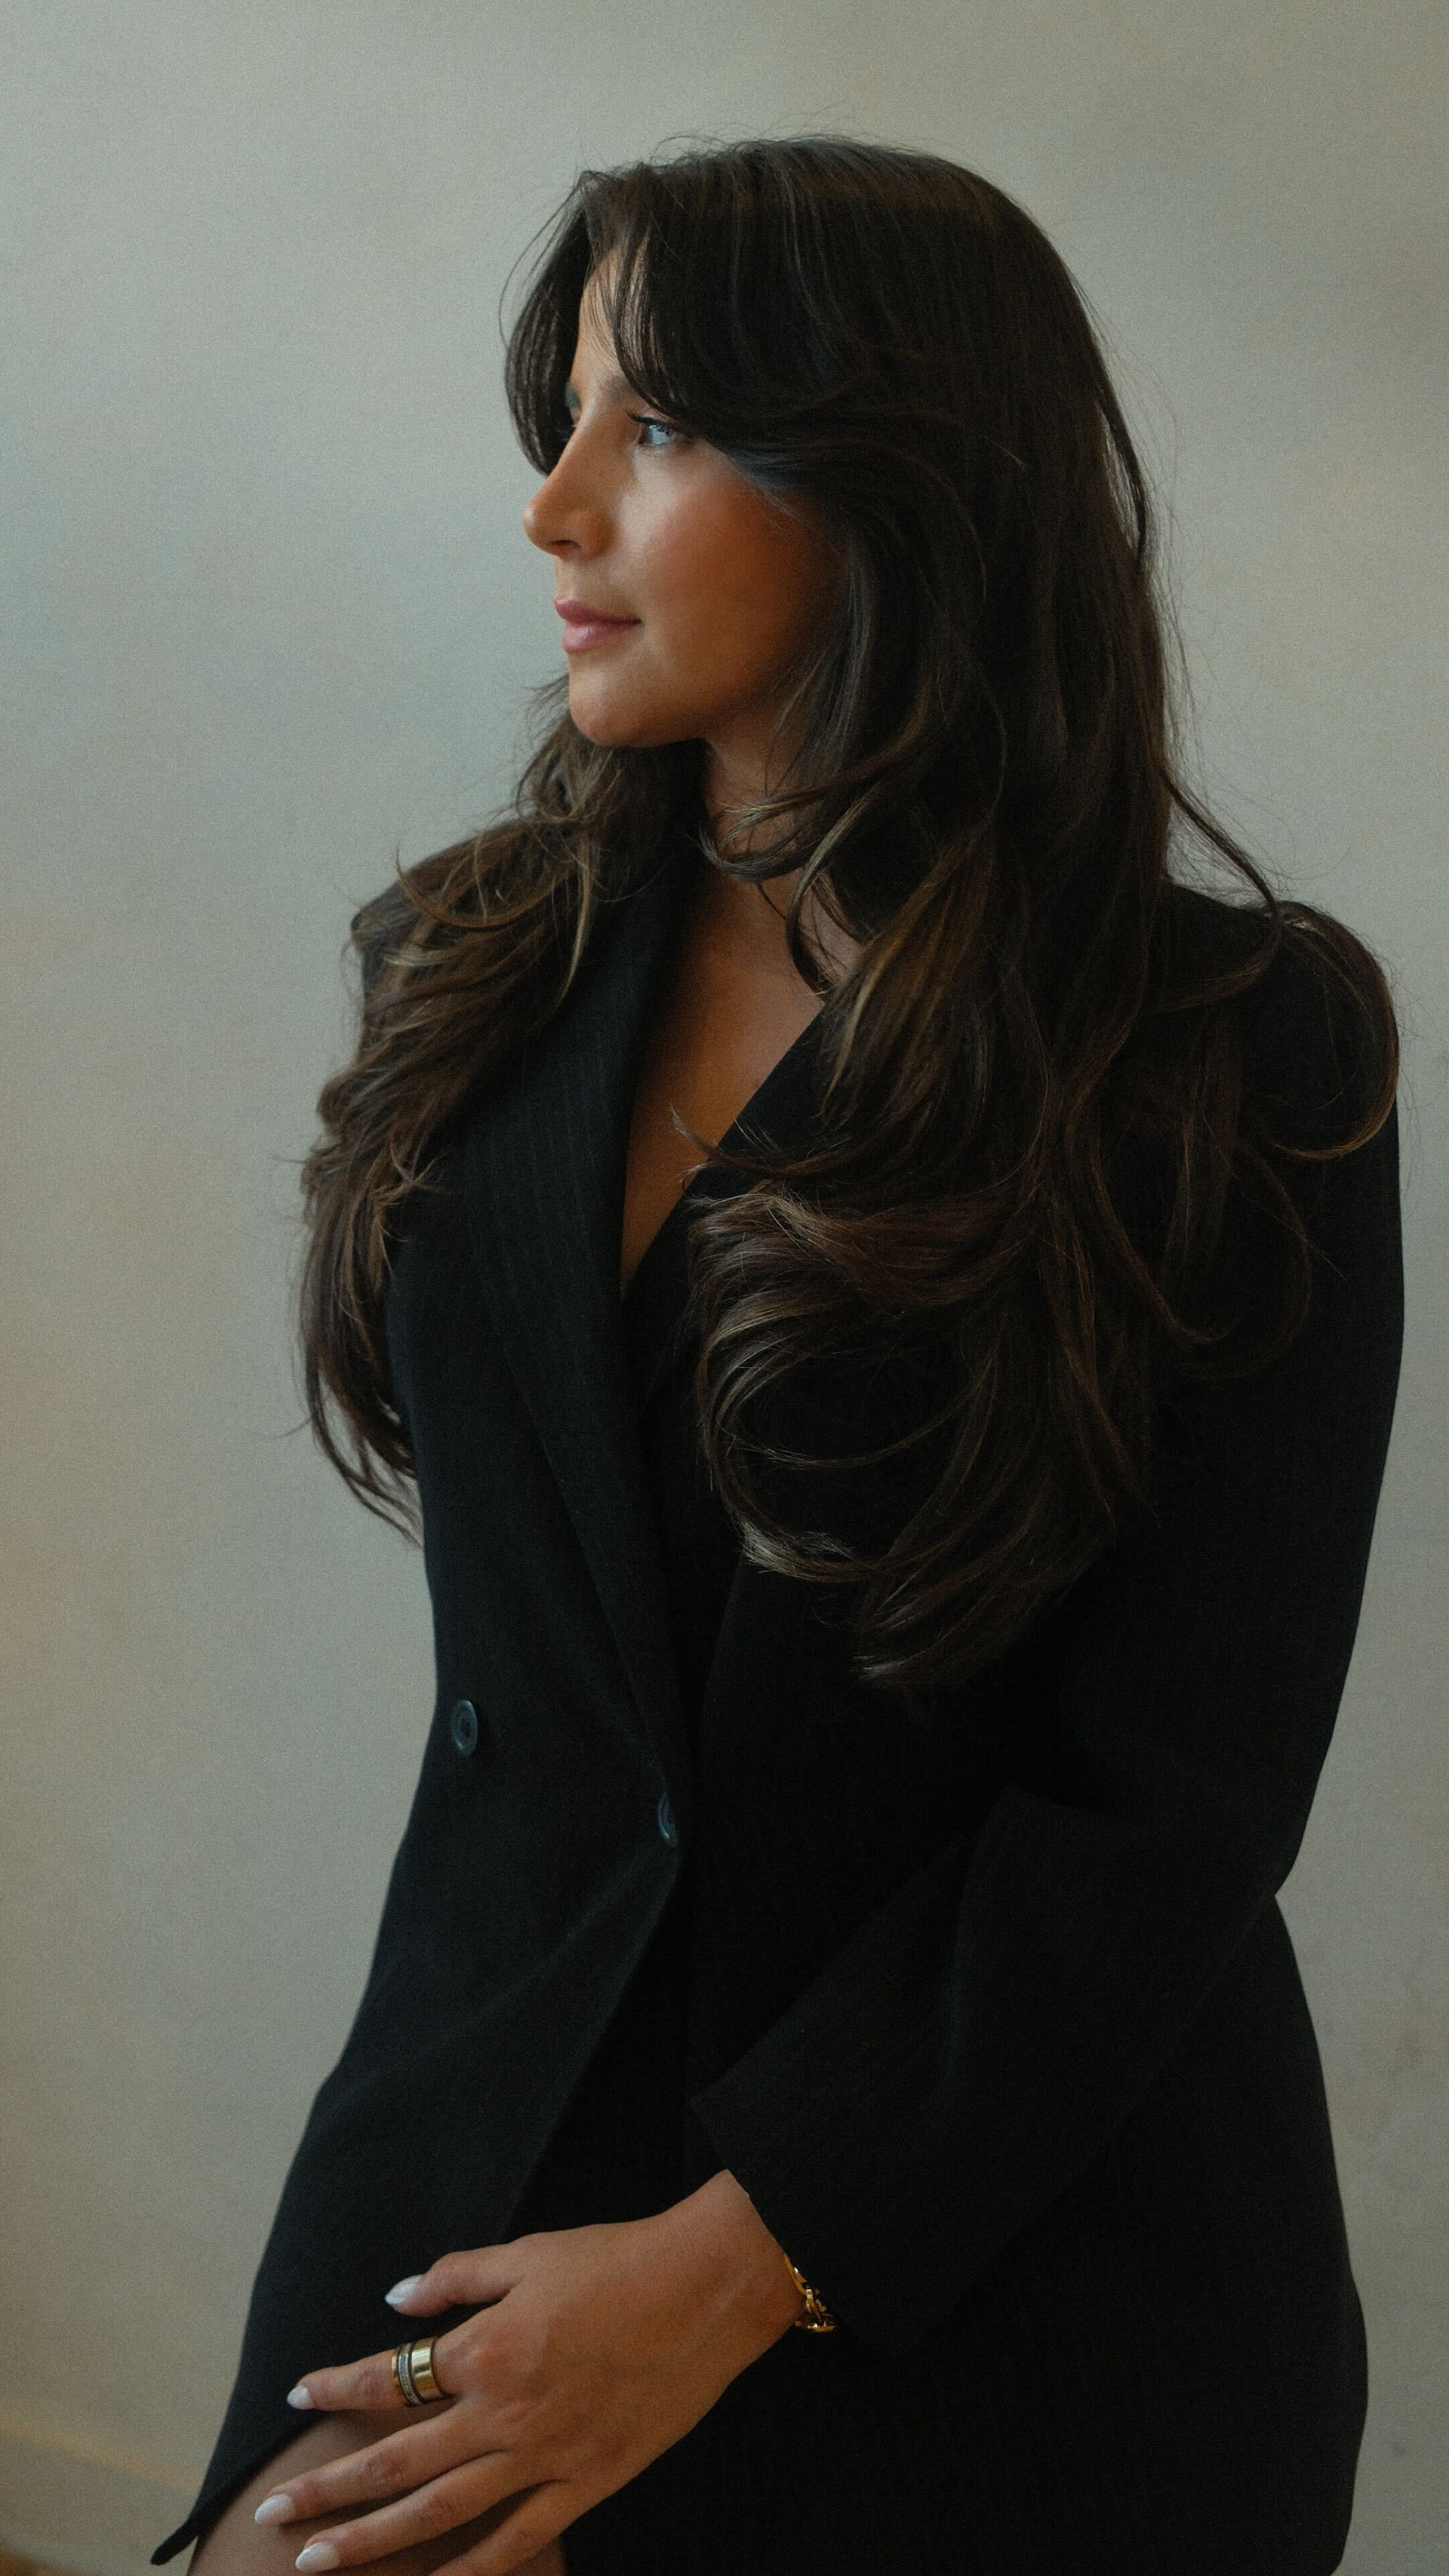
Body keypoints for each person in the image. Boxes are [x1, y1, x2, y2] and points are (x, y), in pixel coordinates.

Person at [156, 138, 1403, 2576]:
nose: (552, 506)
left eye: (657, 427)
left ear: (906, 481)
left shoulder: (1235, 1053)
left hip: (1014, 2278)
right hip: (488, 2144)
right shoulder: (470, 967)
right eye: (563, 417)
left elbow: (1173, 1805)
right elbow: (541, 1751)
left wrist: (733, 2273)